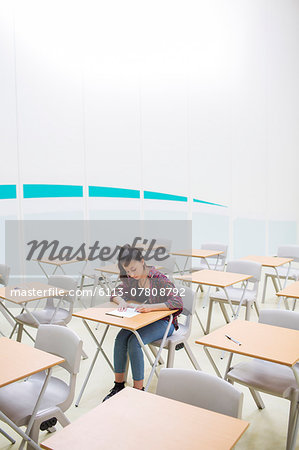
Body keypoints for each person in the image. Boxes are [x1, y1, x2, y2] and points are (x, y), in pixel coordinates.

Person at [103, 244, 183, 401]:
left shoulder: (158, 279)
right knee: (120, 339)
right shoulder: (132, 280)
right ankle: (118, 386)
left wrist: (151, 308)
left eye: (134, 269)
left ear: (142, 261)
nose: (131, 274)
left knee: (134, 342)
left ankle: (138, 390)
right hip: (142, 320)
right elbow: (115, 292)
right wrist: (121, 302)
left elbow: (177, 302)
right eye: (127, 271)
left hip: (164, 322)